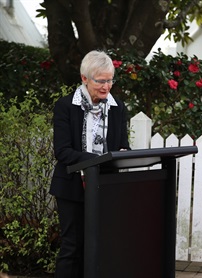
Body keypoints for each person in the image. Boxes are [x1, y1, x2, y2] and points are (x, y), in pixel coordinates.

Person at [50, 50, 130, 278]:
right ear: (84, 78)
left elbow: (122, 146)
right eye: (101, 81)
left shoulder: (117, 108)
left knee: (101, 247)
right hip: (72, 187)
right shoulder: (66, 106)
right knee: (72, 248)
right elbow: (63, 151)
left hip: (105, 188)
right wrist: (97, 159)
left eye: (110, 80)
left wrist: (123, 153)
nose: (106, 87)